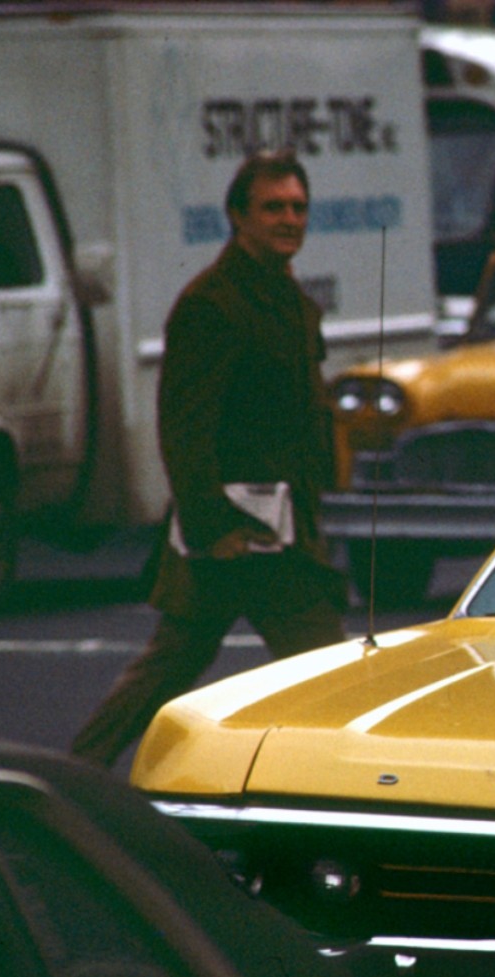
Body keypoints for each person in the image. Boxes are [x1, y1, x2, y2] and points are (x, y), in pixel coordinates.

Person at [71, 150, 349, 768]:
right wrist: (211, 525)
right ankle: (74, 774)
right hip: (229, 532)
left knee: (314, 667)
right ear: (237, 216)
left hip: (283, 531)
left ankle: (79, 768)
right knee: (182, 665)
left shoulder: (290, 300)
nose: (289, 219)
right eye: (273, 207)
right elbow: (183, 428)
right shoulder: (212, 303)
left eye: (299, 207)